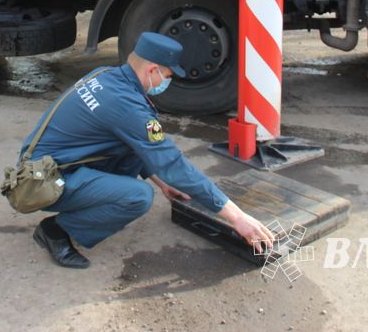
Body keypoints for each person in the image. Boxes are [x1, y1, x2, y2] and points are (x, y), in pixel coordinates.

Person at [19, 31, 276, 268]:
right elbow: (172, 164)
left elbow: (131, 142)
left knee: (135, 163)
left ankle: (83, 207)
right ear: (152, 70)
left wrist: (161, 181)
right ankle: (56, 229)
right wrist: (237, 216)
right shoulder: (125, 105)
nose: (167, 82)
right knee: (137, 197)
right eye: (167, 76)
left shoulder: (107, 77)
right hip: (44, 181)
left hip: (51, 164)